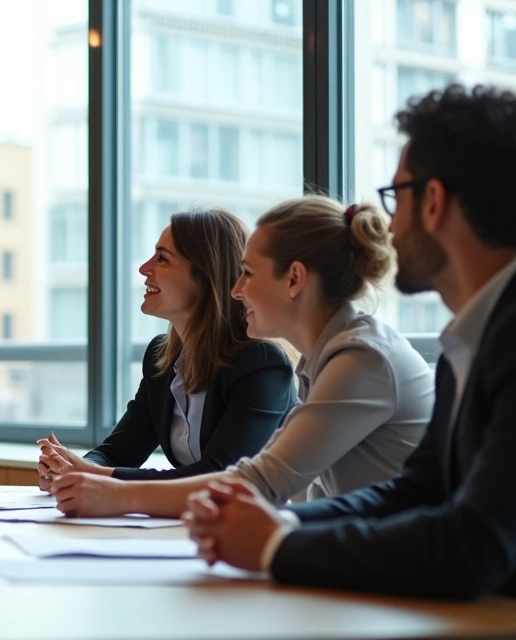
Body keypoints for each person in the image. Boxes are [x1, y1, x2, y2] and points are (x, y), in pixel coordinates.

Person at [184, 84, 516, 600]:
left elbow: (475, 545)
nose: (389, 225)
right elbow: (418, 492)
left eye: (395, 197)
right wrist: (281, 526)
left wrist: (274, 546)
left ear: (433, 202)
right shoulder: (469, 340)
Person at [51, 194, 435, 518]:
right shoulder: (325, 359)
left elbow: (257, 483)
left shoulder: (360, 359)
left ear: (295, 279)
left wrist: (116, 493)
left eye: (248, 273)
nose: (235, 290)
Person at [37, 209, 294, 489]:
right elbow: (118, 451)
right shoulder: (160, 358)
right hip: (195, 522)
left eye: (162, 259)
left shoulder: (261, 363)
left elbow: (218, 475)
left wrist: (93, 476)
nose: (144, 268)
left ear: (207, 275)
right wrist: (70, 470)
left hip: (271, 524)